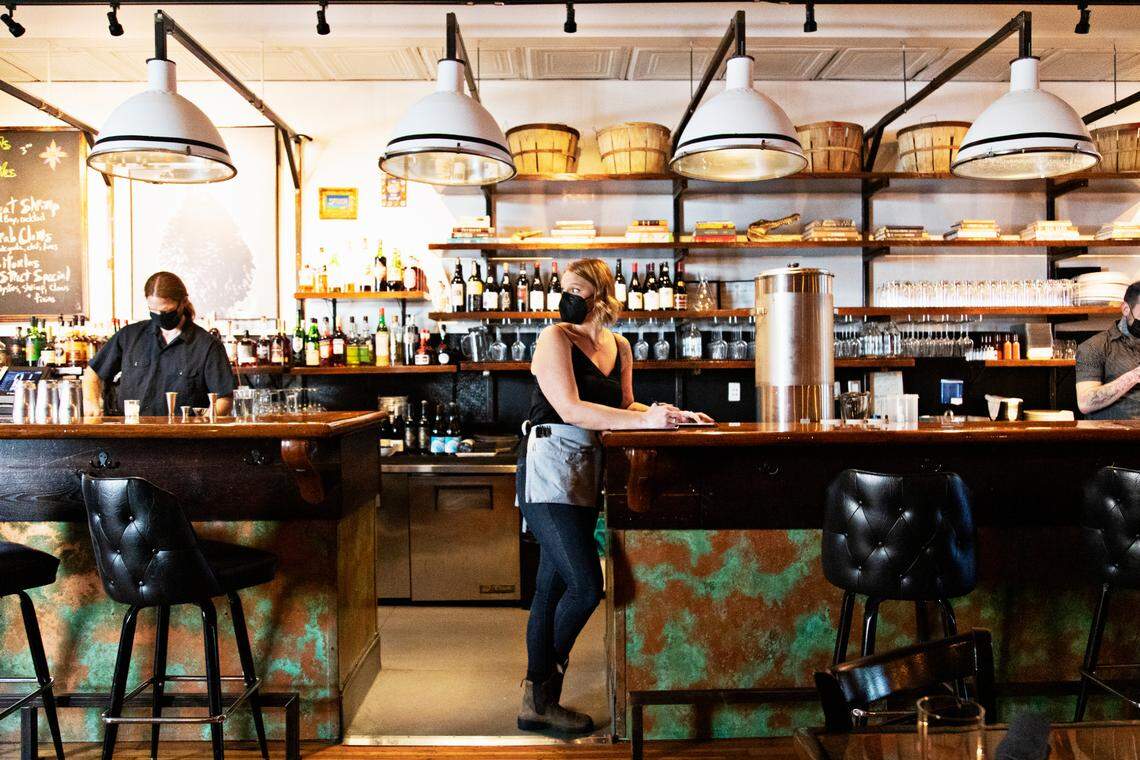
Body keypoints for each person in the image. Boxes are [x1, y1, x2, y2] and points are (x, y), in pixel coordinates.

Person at [516, 258, 711, 736]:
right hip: (547, 466)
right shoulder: (554, 338)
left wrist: (671, 414)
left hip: (585, 469)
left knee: (551, 588)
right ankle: (542, 688)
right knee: (586, 586)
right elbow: (570, 408)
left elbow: (624, 407)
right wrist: (644, 421)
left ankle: (536, 702)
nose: (567, 298)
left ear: (601, 295)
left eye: (577, 289)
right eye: (565, 289)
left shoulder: (619, 345)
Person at [83, 271, 234, 417]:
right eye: (153, 311)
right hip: (131, 436)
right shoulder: (129, 336)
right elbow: (93, 372)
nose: (160, 317)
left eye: (166, 311)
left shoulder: (208, 346)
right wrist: (92, 402)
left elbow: (224, 399)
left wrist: (205, 421)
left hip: (183, 438)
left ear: (183, 302)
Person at [1076, 281, 1140, 419]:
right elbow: (1085, 403)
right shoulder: (1094, 346)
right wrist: (1134, 376)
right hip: (1115, 436)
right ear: (1126, 309)